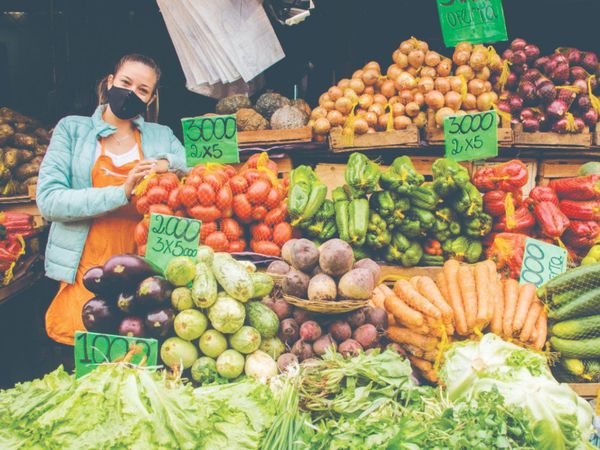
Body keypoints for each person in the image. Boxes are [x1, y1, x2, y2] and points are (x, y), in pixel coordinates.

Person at [36, 54, 187, 362]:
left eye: (142, 90)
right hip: (86, 271)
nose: (132, 93)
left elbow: (198, 168)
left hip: (149, 275)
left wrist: (168, 163)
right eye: (125, 83)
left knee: (140, 365)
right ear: (109, 82)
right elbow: (50, 201)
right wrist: (121, 192)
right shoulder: (73, 131)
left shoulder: (161, 136)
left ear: (151, 98)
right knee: (88, 367)